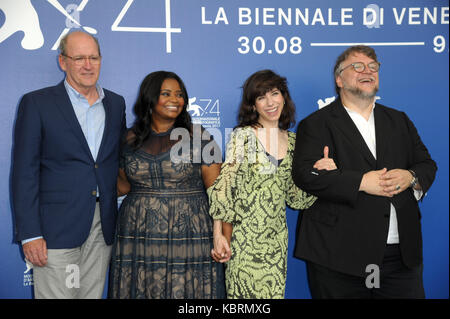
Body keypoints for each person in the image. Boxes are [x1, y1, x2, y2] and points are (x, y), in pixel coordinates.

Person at [292, 45, 437, 298]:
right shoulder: (315, 124)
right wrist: (360, 181)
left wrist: (410, 177)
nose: (367, 71)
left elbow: (426, 165)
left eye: (373, 67)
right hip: (338, 257)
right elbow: (305, 175)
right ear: (339, 79)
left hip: (401, 256)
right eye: (357, 66)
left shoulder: (399, 120)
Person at [12, 31, 127, 298]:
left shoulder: (116, 103)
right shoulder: (37, 103)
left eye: (93, 57)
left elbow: (116, 161)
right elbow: (24, 173)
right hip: (55, 228)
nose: (88, 65)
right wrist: (30, 234)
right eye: (79, 58)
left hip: (102, 226)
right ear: (63, 62)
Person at [208, 70, 333, 299]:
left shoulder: (295, 142)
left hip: (276, 245)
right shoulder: (243, 137)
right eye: (261, 97)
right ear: (253, 105)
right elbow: (225, 187)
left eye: (274, 94)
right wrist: (219, 235)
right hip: (244, 242)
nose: (270, 102)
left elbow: (295, 199)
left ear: (284, 97)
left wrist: (318, 173)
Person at [108, 71, 225, 299]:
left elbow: (219, 192)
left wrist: (220, 235)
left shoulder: (199, 136)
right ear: (150, 98)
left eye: (180, 94)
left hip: (190, 232)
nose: (175, 100)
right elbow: (121, 185)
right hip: (138, 233)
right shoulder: (129, 139)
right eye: (166, 93)